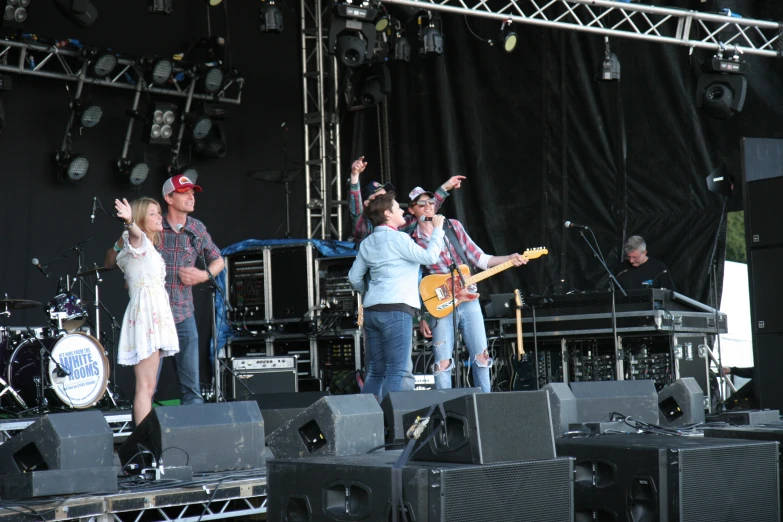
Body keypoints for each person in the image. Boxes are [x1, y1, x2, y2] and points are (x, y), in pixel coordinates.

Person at [107, 175, 225, 405]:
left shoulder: (196, 228)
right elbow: (113, 259)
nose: (191, 196)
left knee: (192, 389)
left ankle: (193, 434)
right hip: (154, 317)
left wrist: (203, 275)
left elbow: (218, 259)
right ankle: (146, 434)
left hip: (183, 314)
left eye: (193, 192)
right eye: (185, 192)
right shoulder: (151, 228)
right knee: (148, 386)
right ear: (169, 198)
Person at [409, 187, 528, 393]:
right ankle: (444, 410)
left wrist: (509, 258)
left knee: (482, 356)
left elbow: (480, 259)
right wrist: (421, 315)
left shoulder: (452, 227)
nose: (428, 206)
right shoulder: (412, 239)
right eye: (422, 204)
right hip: (440, 305)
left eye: (430, 202)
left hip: (469, 300)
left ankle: (485, 404)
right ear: (412, 210)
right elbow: (414, 280)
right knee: (443, 362)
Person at [348, 192, 446, 400]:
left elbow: (354, 279)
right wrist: (437, 231)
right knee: (396, 371)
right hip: (396, 311)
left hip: (372, 311)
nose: (402, 210)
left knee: (375, 371)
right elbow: (430, 256)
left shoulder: (367, 242)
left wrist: (371, 290)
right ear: (387, 214)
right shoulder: (399, 238)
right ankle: (393, 427)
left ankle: (370, 422)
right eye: (397, 208)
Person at [112, 197, 179, 426]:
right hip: (146, 317)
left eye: (159, 212)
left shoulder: (147, 247)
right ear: (141, 218)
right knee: (145, 387)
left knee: (149, 386)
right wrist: (130, 221)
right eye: (153, 213)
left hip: (155, 315)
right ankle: (143, 442)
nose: (159, 216)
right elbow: (134, 234)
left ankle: (145, 439)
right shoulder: (136, 240)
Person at [348, 156, 465, 244]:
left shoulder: (398, 223)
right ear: (367, 203)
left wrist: (444, 188)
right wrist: (354, 176)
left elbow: (425, 210)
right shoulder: (364, 226)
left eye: (386, 197)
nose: (385, 201)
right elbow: (356, 209)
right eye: (378, 197)